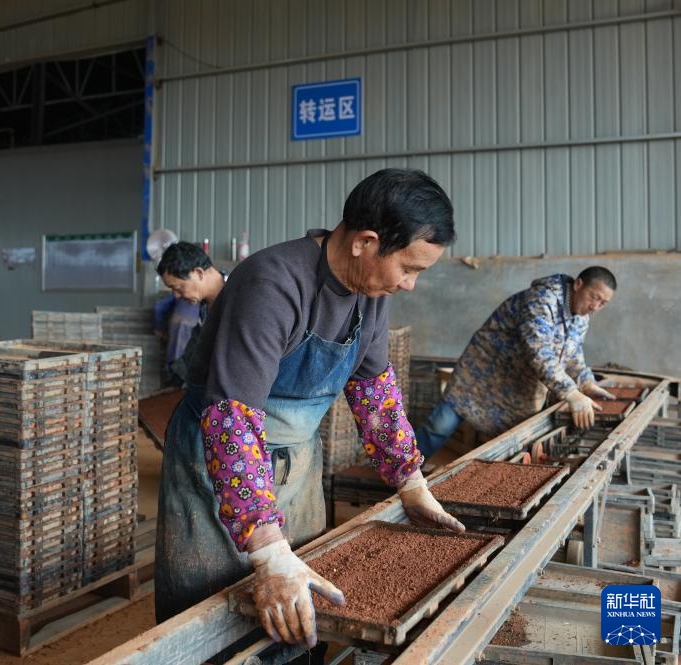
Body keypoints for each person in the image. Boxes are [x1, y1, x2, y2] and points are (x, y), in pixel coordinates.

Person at [155, 168, 465, 650]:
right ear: (365, 242)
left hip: (295, 465)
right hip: (217, 467)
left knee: (300, 608)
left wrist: (412, 482)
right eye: (409, 268)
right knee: (213, 617)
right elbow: (232, 420)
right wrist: (267, 548)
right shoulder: (273, 283)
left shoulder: (370, 296)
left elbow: (375, 394)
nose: (410, 285)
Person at [415, 267, 617, 459]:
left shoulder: (581, 317)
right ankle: (401, 476)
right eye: (594, 296)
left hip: (516, 389)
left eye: (603, 303)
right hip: (482, 374)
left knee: (508, 445)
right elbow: (538, 350)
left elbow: (573, 354)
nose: (595, 306)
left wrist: (586, 382)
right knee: (439, 426)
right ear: (578, 284)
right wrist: (571, 393)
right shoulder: (543, 299)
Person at [156, 241, 228, 385]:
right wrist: (177, 377)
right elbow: (195, 352)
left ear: (199, 273)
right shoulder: (204, 309)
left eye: (178, 287)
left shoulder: (239, 299)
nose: (176, 296)